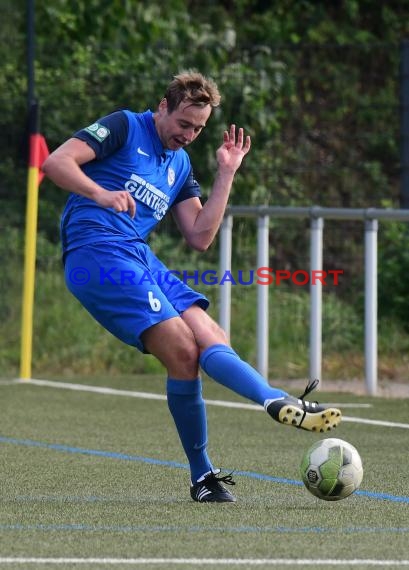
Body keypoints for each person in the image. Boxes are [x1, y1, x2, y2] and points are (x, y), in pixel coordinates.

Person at [42, 70, 342, 503]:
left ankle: (269, 409)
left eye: (199, 129)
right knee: (183, 349)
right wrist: (99, 194)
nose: (189, 135)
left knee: (210, 336)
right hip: (97, 251)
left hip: (137, 254)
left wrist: (227, 172)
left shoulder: (180, 165)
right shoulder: (126, 125)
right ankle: (220, 455)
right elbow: (56, 162)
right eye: (184, 123)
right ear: (163, 107)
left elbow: (200, 236)